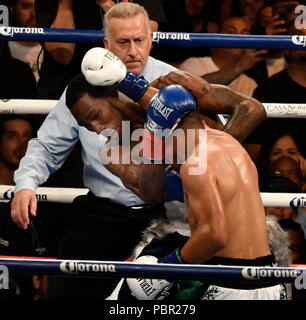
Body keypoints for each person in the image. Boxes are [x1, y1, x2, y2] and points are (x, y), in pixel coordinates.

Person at [80, 48, 286, 300]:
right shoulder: (224, 141)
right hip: (264, 277)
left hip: (221, 269)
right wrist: (129, 83)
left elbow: (214, 235)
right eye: (85, 125)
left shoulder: (194, 164)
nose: (96, 128)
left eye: (95, 116)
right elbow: (152, 189)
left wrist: (169, 267)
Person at [11, 2, 177, 300]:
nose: (133, 51)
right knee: (63, 293)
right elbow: (48, 146)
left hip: (165, 216)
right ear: (106, 44)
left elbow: (213, 140)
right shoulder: (85, 88)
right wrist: (25, 185)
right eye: (123, 42)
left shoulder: (174, 83)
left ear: (151, 38)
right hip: (103, 214)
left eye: (139, 40)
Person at [180, 16, 265, 96]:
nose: (238, 39)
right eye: (231, 32)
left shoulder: (250, 84)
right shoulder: (193, 64)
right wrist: (239, 66)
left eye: (244, 35)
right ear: (217, 37)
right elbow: (192, 91)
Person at [8, 0, 44, 83]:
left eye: (38, 7)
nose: (34, 13)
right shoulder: (3, 49)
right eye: (26, 6)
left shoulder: (54, 48)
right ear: (12, 9)